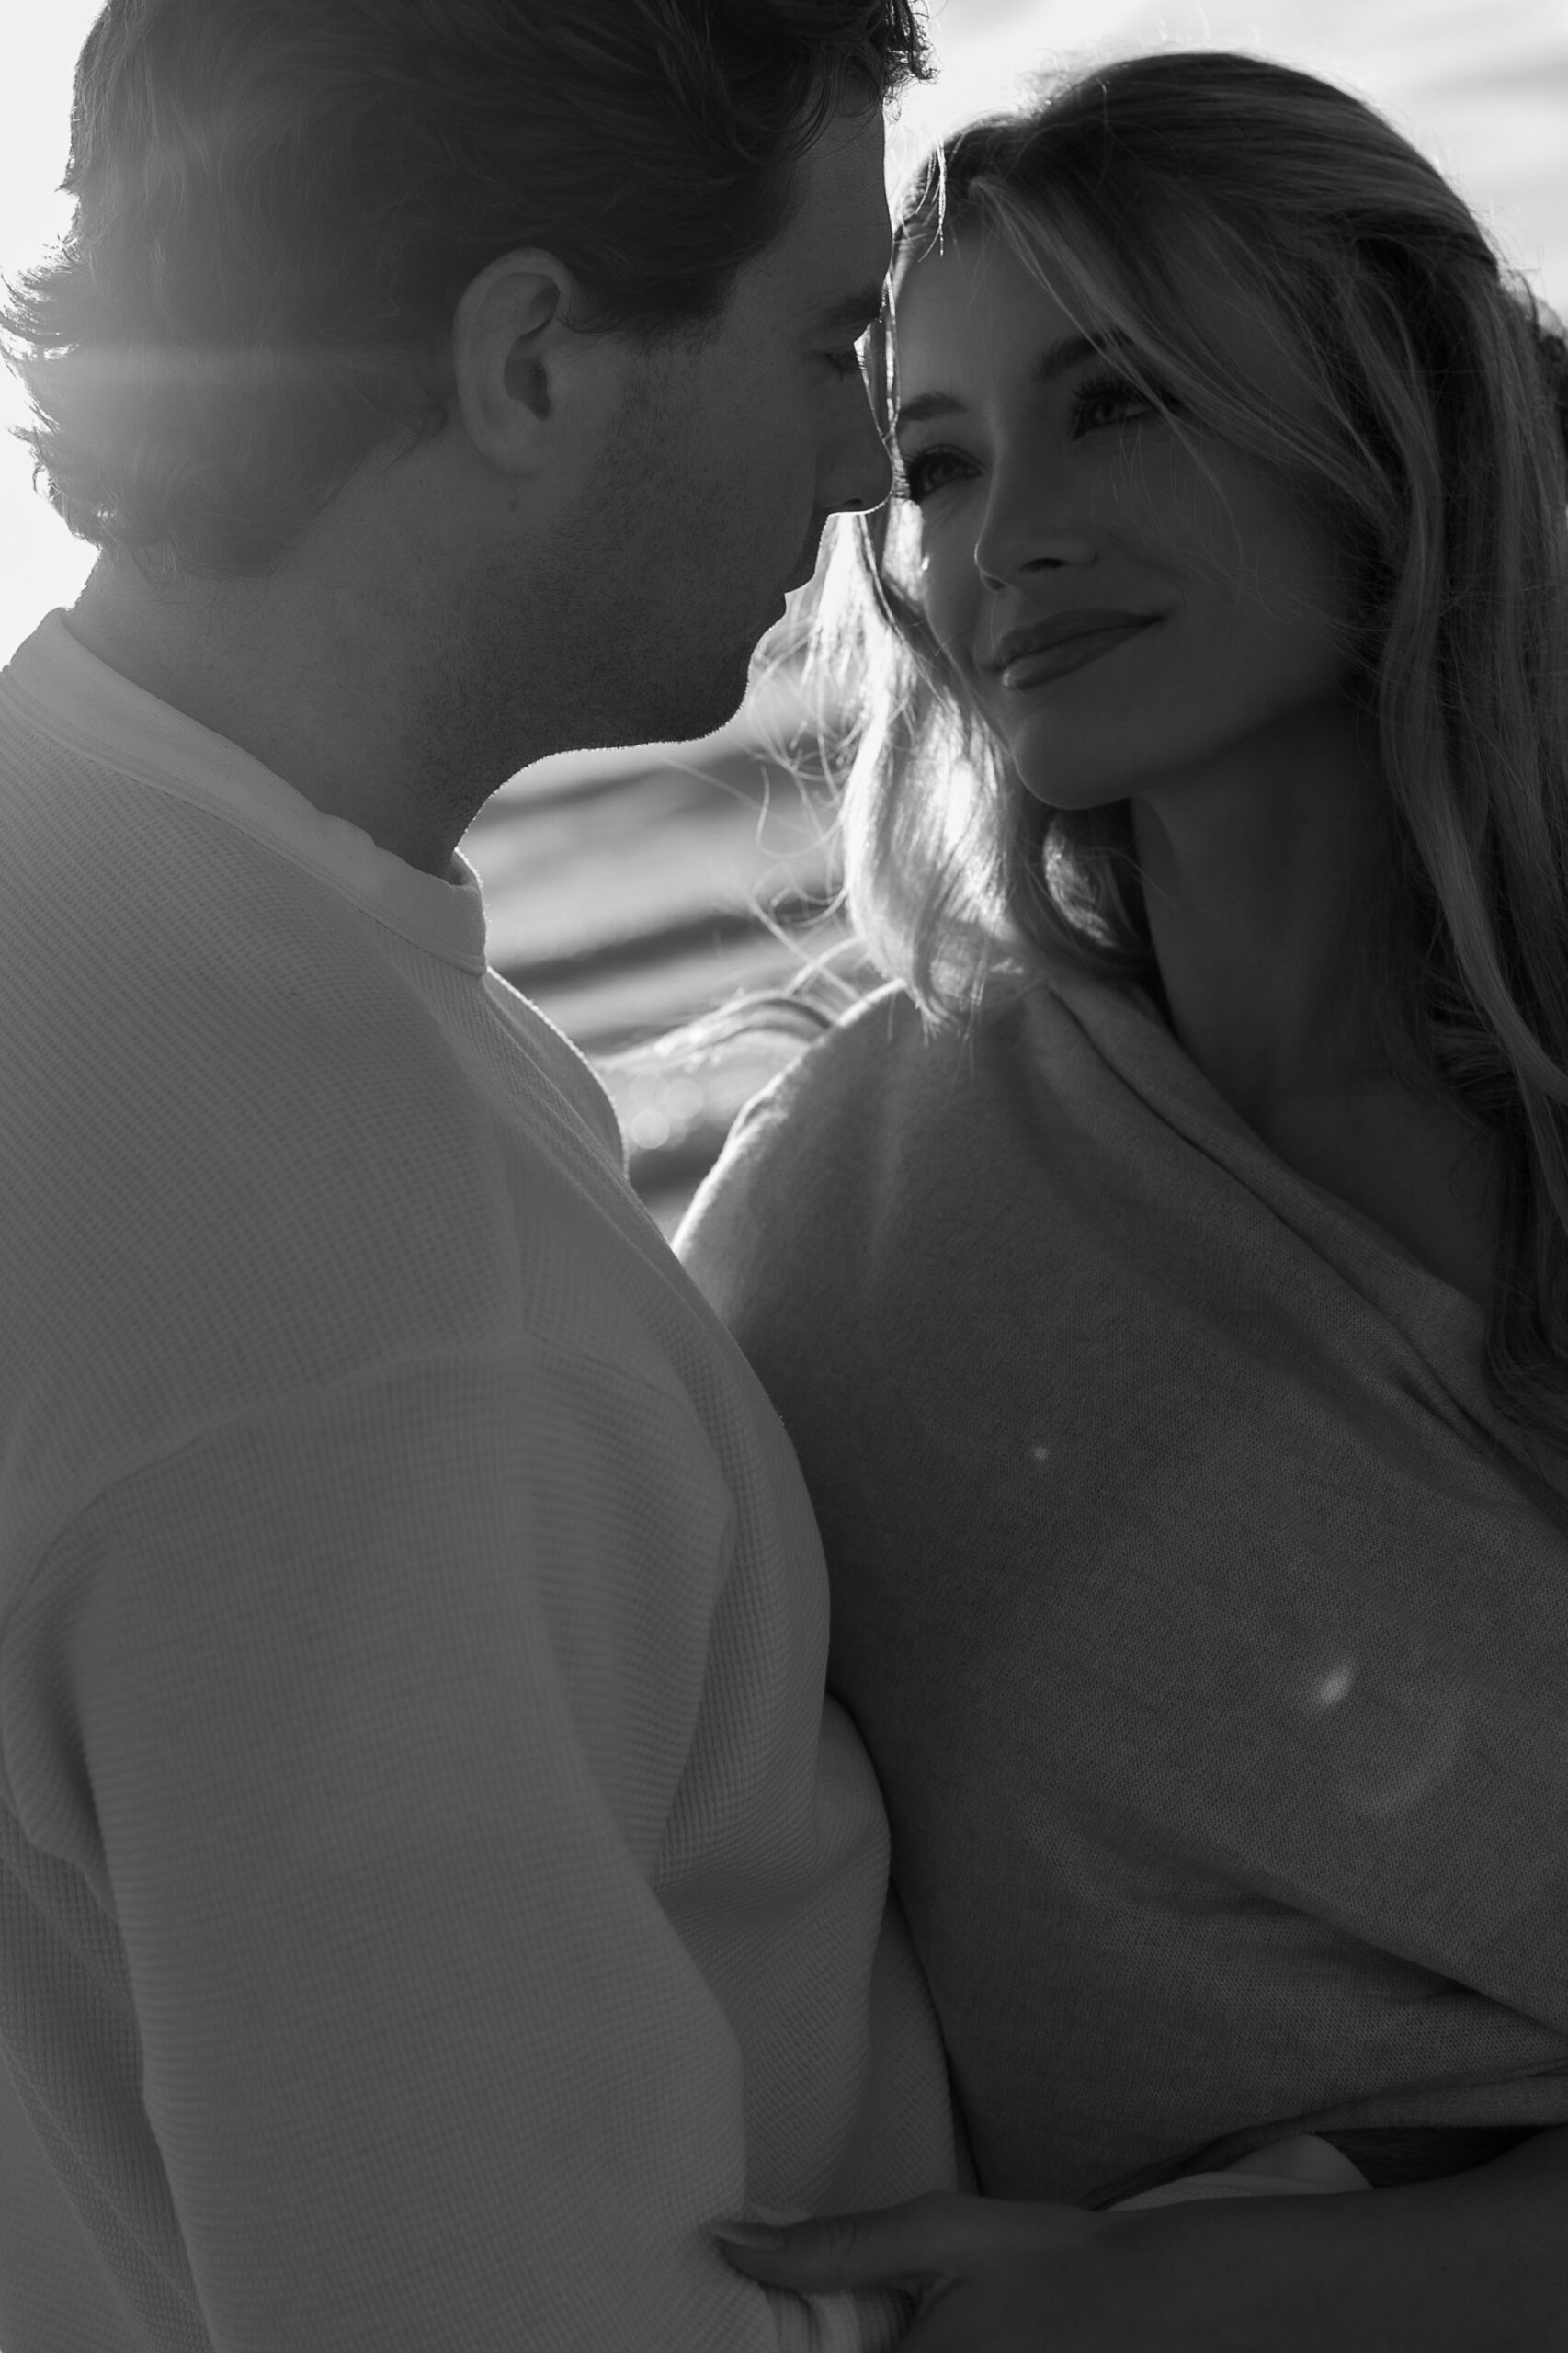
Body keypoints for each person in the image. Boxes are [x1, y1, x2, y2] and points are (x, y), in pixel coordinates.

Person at [0, 5, 971, 2348]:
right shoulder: (361, 1285)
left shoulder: (103, 914)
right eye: (826, 335)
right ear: (531, 357)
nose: (870, 460)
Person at [680, 49, 1568, 2347]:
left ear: (1389, 429)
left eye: (1122, 406)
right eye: (941, 466)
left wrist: (1286, 2273)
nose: (1007, 542)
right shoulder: (844, 1221)